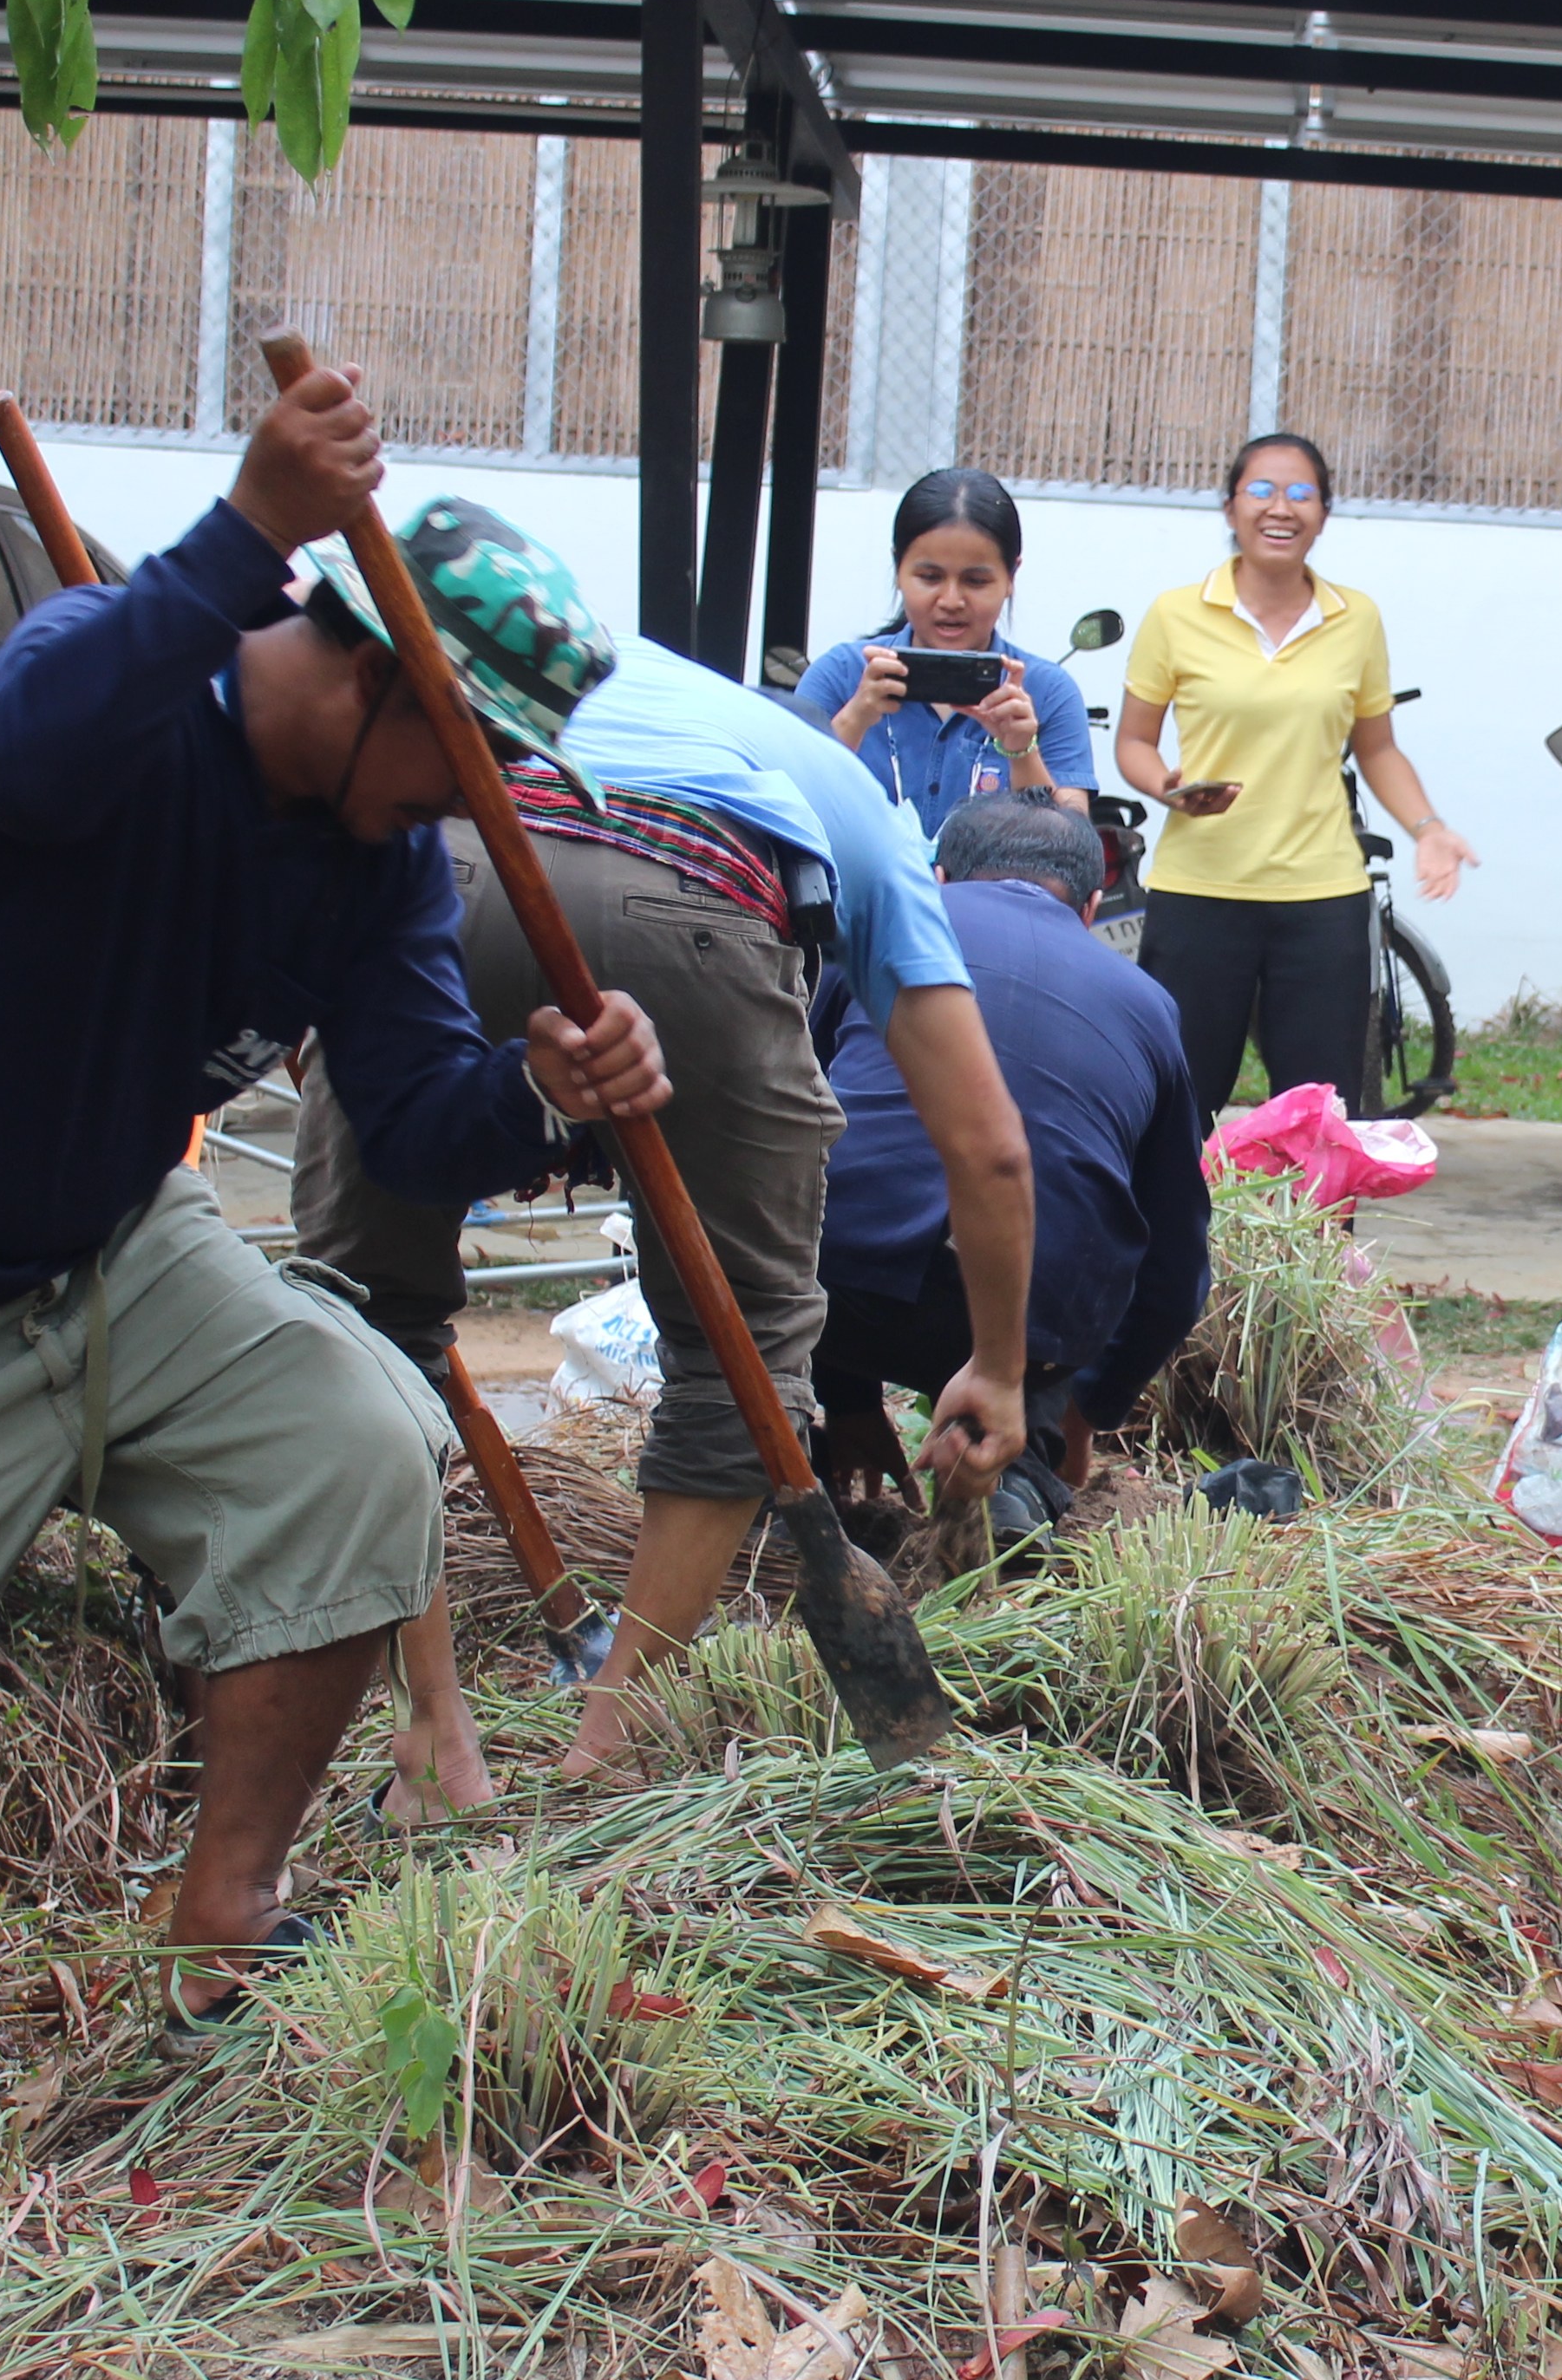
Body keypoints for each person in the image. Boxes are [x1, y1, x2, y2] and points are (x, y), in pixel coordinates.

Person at [0, 368, 670, 2091]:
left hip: (99, 1246)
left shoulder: (371, 863)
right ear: (371, 674)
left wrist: (539, 1093)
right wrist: (251, 523)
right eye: (475, 753)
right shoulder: (116, 687)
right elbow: (17, 757)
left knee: (354, 1448)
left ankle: (224, 1920)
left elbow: (415, 1122)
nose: (476, 799)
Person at [290, 536, 1034, 1791]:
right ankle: (610, 1742)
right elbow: (991, 1149)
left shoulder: (527, 674)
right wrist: (999, 1370)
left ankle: (430, 1730)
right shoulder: (850, 802)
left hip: (441, 851)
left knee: (361, 1319)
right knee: (745, 1346)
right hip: (695, 901)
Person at [815, 797, 1205, 1537]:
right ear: (1091, 908)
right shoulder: (1149, 1004)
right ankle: (1013, 1470)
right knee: (1069, 1238)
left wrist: (845, 1396)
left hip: (842, 1288)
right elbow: (1175, 1270)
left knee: (809, 1210)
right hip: (1037, 1320)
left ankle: (773, 1460)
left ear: (937, 877)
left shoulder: (874, 937)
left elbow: (785, 1129)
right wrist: (1082, 1417)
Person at [1115, 433, 1470, 1119]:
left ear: (1324, 515)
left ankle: (1313, 1203)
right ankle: (1176, 1202)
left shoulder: (1355, 618)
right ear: (1230, 508)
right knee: (1175, 1107)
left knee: (1321, 1114)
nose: (1281, 508)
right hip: (1198, 891)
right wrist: (1168, 788)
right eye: (1262, 491)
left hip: (1322, 898)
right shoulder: (1176, 614)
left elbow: (1378, 749)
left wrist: (1429, 828)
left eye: (1302, 494)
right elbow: (1134, 741)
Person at [781, 466, 1095, 828]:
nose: (951, 601)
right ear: (898, 568)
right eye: (930, 578)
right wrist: (856, 717)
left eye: (976, 581)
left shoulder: (1049, 691)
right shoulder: (841, 674)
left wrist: (1022, 751)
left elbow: (1071, 846)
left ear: (1011, 577)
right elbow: (785, 809)